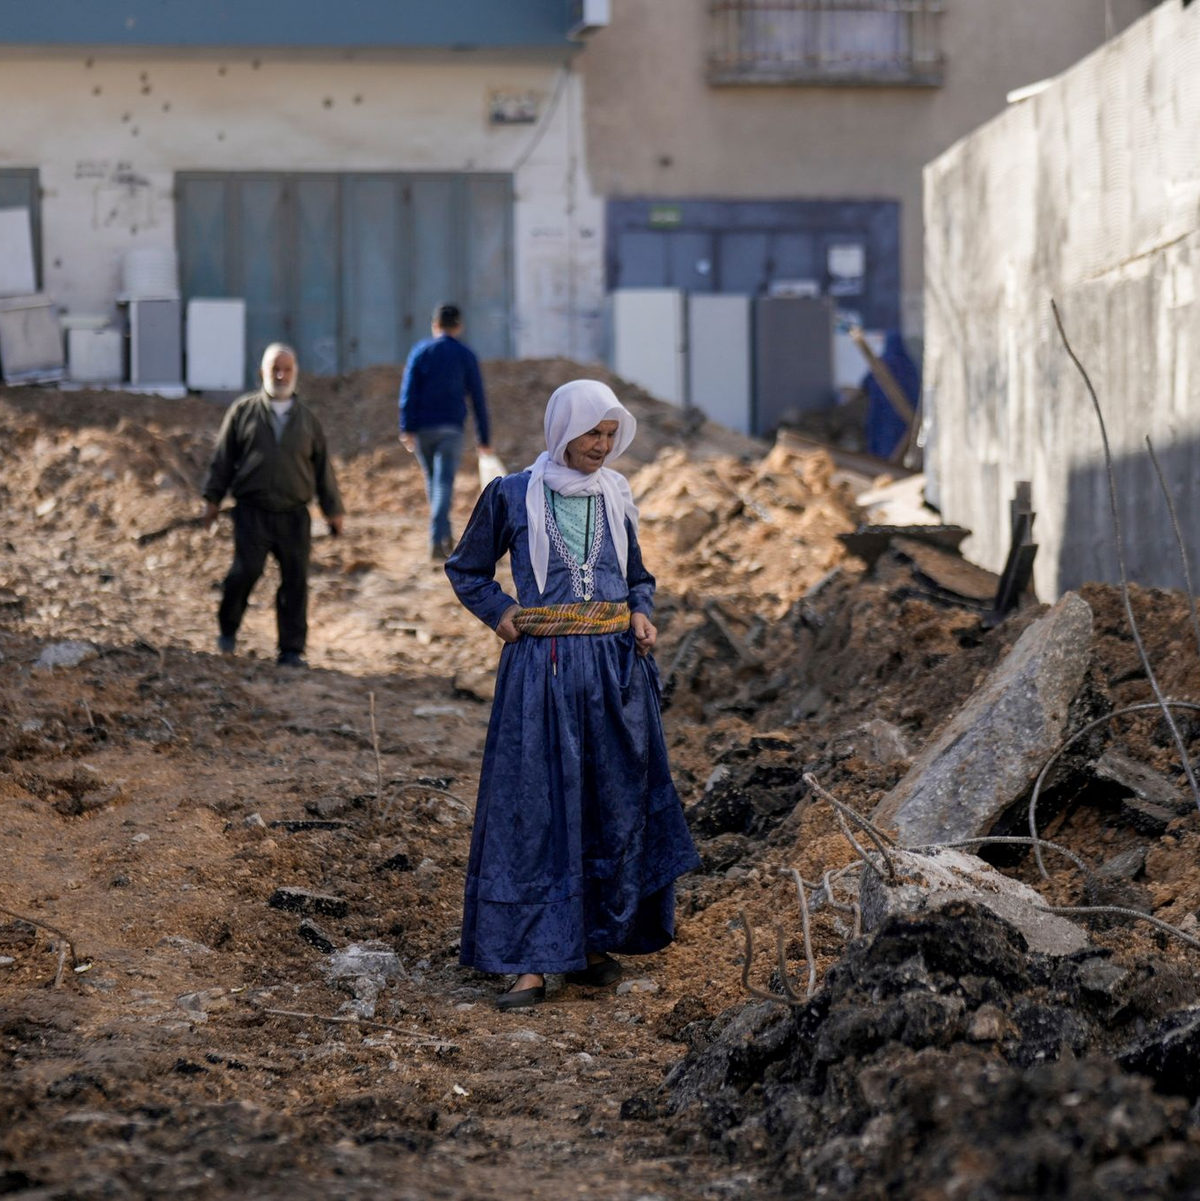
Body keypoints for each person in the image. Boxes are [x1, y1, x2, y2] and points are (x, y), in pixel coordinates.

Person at [445, 379, 701, 1012]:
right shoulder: (511, 495)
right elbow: (466, 570)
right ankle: (529, 962)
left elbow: (637, 576)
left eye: (611, 434)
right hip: (544, 674)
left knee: (608, 805)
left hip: (615, 675)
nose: (601, 445)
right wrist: (501, 611)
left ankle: (590, 946)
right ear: (562, 431)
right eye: (592, 432)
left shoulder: (616, 495)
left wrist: (640, 611)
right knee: (537, 810)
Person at [201, 342, 345, 668]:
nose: (280, 375)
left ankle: (291, 650)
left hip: (294, 514)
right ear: (261, 373)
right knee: (245, 571)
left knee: (295, 580)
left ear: (296, 373)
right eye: (274, 369)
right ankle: (228, 629)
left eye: (287, 369)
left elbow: (323, 469)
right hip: (252, 511)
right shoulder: (242, 412)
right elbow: (223, 460)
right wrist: (212, 498)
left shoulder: (308, 421)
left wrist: (333, 509)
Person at [399, 303, 492, 561]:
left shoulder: (420, 351)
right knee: (442, 484)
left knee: (434, 484)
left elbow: (408, 391)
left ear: (435, 325)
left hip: (423, 431)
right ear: (459, 326)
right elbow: (478, 399)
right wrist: (484, 438)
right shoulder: (465, 355)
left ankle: (446, 536)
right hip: (451, 430)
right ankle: (436, 541)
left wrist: (406, 427)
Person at [862, 330, 921, 460]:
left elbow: (866, 384)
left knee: (882, 441)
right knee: (899, 442)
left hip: (882, 412)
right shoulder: (908, 366)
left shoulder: (882, 363)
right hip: (902, 416)